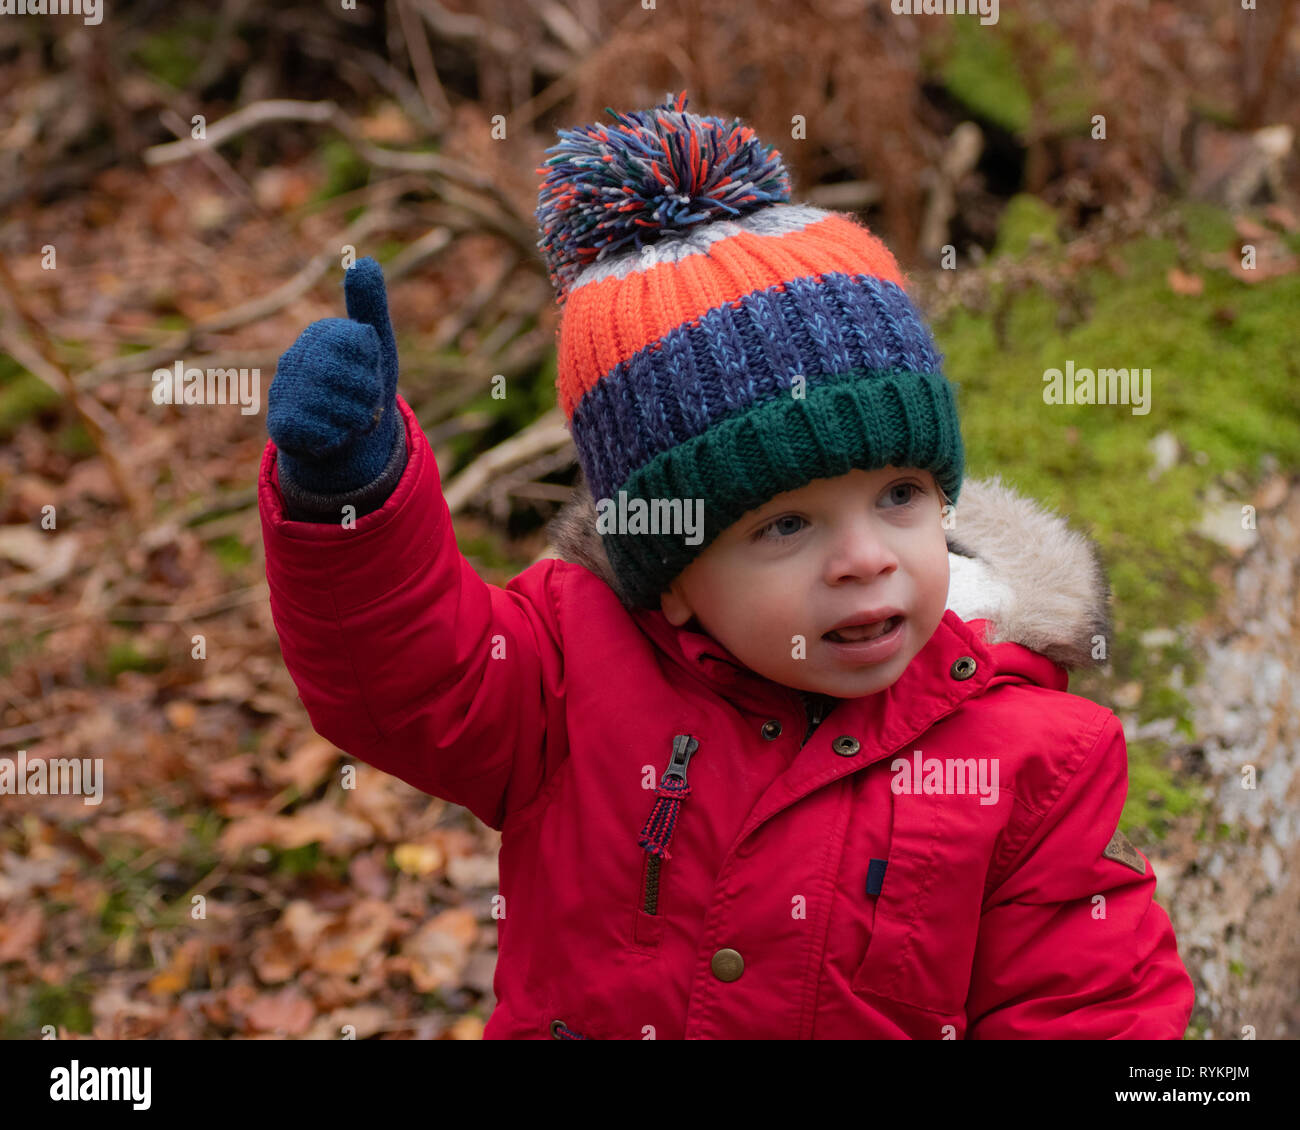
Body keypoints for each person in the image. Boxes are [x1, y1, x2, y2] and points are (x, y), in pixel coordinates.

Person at [258, 93, 1195, 1039]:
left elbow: (1093, 1006)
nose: (866, 559)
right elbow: (408, 682)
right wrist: (353, 490)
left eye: (901, 495)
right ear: (669, 569)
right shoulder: (569, 676)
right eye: (786, 525)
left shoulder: (1031, 759)